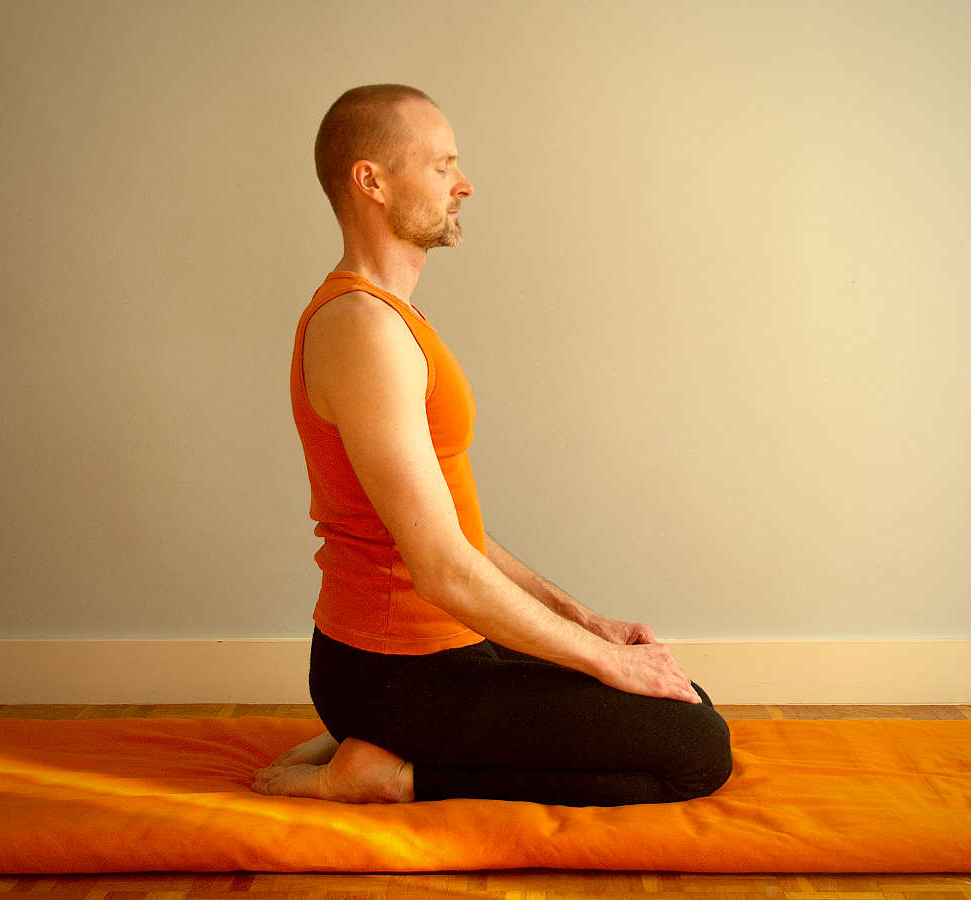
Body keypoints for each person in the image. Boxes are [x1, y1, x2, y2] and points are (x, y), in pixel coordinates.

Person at [251, 84, 732, 806]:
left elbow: (456, 530)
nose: (464, 184)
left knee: (683, 700)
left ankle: (364, 738)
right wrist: (602, 663)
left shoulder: (390, 319)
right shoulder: (363, 329)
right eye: (443, 166)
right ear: (371, 181)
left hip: (435, 650)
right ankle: (389, 773)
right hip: (395, 671)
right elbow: (441, 568)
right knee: (697, 755)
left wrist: (585, 623)